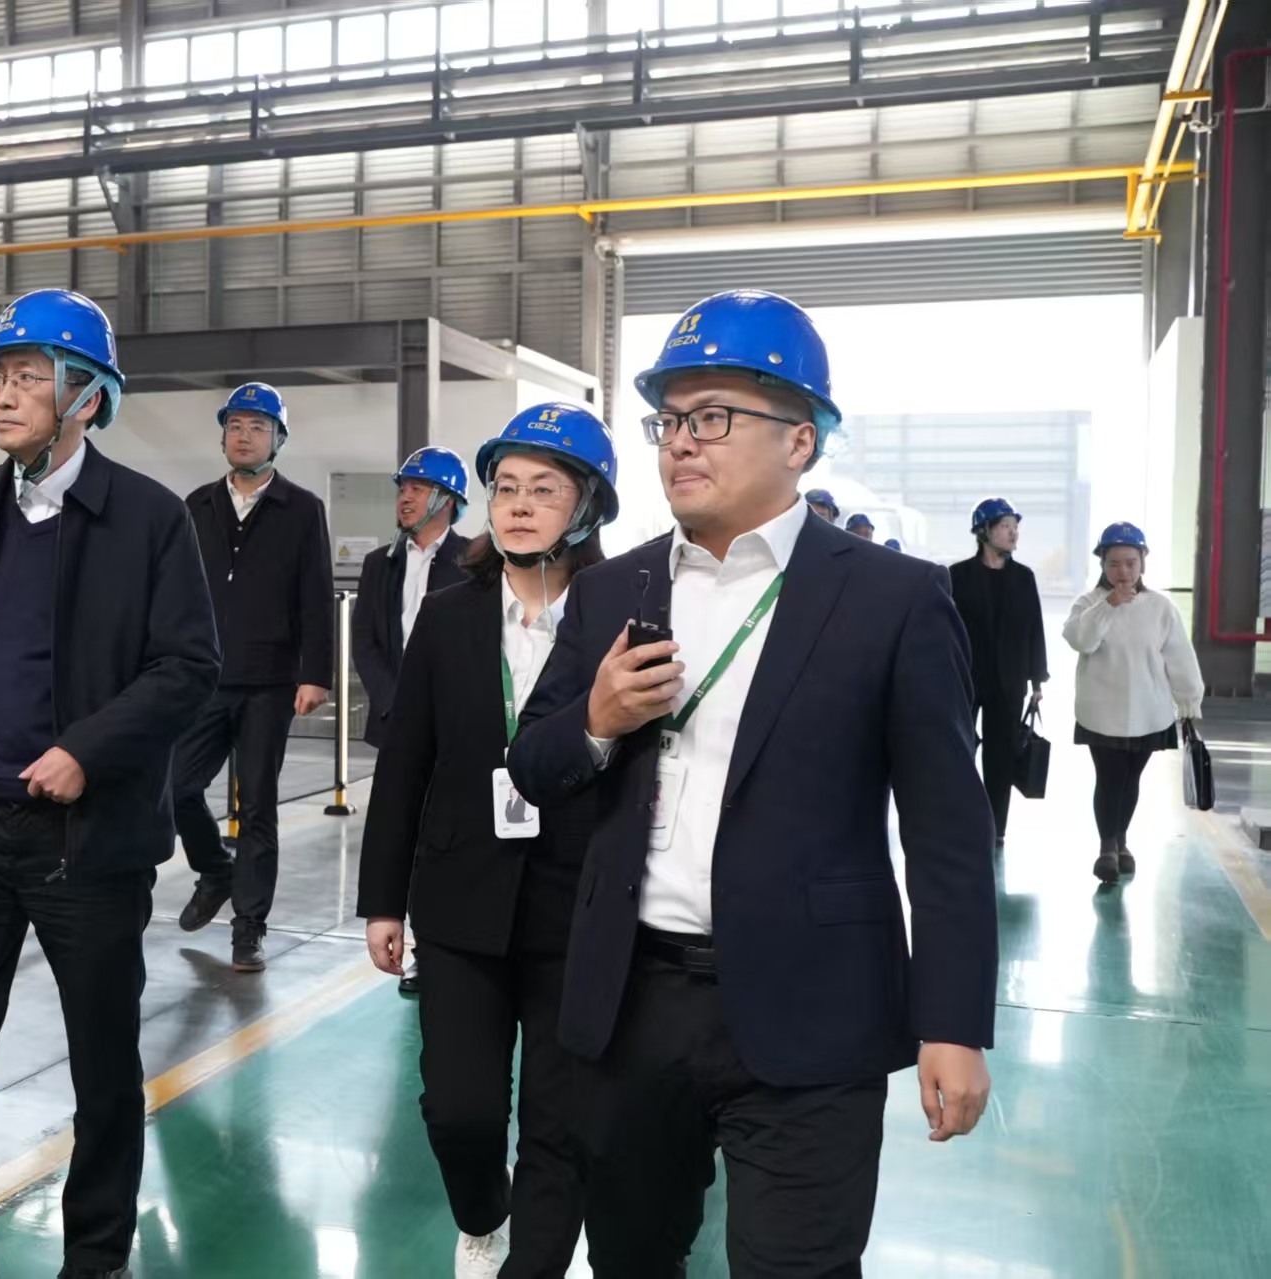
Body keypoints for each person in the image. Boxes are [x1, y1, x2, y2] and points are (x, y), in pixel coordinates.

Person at [509, 290, 998, 1279]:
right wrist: (596, 719)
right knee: (631, 1257)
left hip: (813, 1005)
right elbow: (533, 763)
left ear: (800, 441)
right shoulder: (610, 589)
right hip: (631, 1000)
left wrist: (951, 1022)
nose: (681, 442)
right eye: (669, 420)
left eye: (714, 417)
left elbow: (947, 831)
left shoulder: (894, 599)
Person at [0, 288, 219, 1279]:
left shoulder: (149, 519)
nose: (3, 394)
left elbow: (187, 665)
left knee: (102, 1067)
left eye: (28, 376)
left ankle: (96, 1254)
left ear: (86, 396)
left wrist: (88, 748)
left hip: (87, 842)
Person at [358, 401, 618, 1279]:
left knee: (558, 1115)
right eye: (506, 487)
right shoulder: (449, 614)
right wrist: (382, 901)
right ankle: (482, 1216)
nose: (518, 505)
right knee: (458, 1109)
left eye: (544, 488)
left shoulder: (616, 616)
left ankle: (534, 1263)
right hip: (460, 898)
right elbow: (406, 763)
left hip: (573, 904)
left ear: (587, 506)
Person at [172, 381, 335, 972]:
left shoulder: (302, 509)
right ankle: (215, 871)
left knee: (258, 804)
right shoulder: (195, 505)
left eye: (258, 427)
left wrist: (315, 674)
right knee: (177, 788)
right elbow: (175, 591)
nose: (244, 436)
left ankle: (249, 928)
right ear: (223, 438)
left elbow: (316, 595)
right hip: (205, 677)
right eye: (235, 426)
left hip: (270, 681)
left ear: (278, 439)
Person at [351, 446, 470, 995]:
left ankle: (430, 947)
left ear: (447, 499)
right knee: (399, 830)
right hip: (397, 722)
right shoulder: (380, 564)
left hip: (454, 726)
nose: (405, 497)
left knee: (440, 837)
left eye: (418, 489)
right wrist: (396, 707)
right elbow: (367, 643)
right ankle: (398, 930)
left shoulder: (476, 560)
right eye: (403, 488)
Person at [1062, 522, 1204, 885]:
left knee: (1130, 780)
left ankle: (1121, 841)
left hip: (1149, 712)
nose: (1122, 571)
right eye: (1114, 564)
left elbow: (1180, 657)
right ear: (1102, 565)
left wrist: (1188, 702)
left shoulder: (1160, 607)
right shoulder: (1088, 604)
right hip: (1101, 713)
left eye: (1130, 563)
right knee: (1109, 778)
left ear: (1142, 562)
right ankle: (1107, 848)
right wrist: (1108, 605)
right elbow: (1081, 640)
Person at [949, 497, 1049, 846]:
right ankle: (961, 818)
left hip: (1009, 680)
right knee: (960, 751)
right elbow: (945, 630)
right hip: (966, 678)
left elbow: (1035, 629)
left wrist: (1037, 681)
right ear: (984, 531)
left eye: (1015, 526)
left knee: (1000, 756)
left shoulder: (1024, 578)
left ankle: (995, 826)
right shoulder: (957, 576)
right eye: (1005, 526)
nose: (1013, 533)